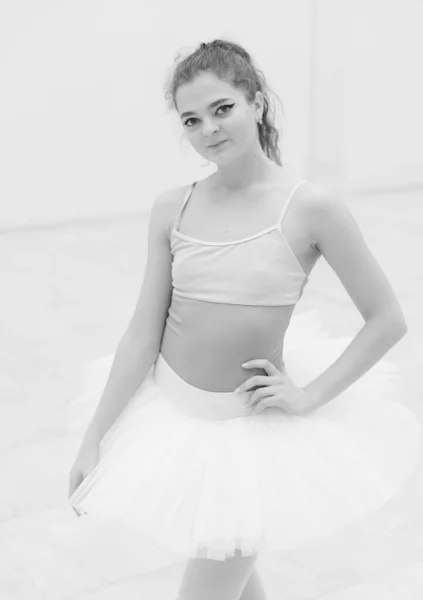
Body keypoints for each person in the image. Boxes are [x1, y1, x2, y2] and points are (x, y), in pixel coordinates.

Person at [67, 39, 422, 600]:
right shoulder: (172, 207)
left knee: (207, 588)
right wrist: (95, 438)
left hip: (248, 439)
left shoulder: (310, 208)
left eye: (222, 108)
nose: (208, 128)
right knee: (229, 571)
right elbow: (142, 332)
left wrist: (309, 396)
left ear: (256, 103)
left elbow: (387, 319)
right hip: (175, 421)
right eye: (191, 119)